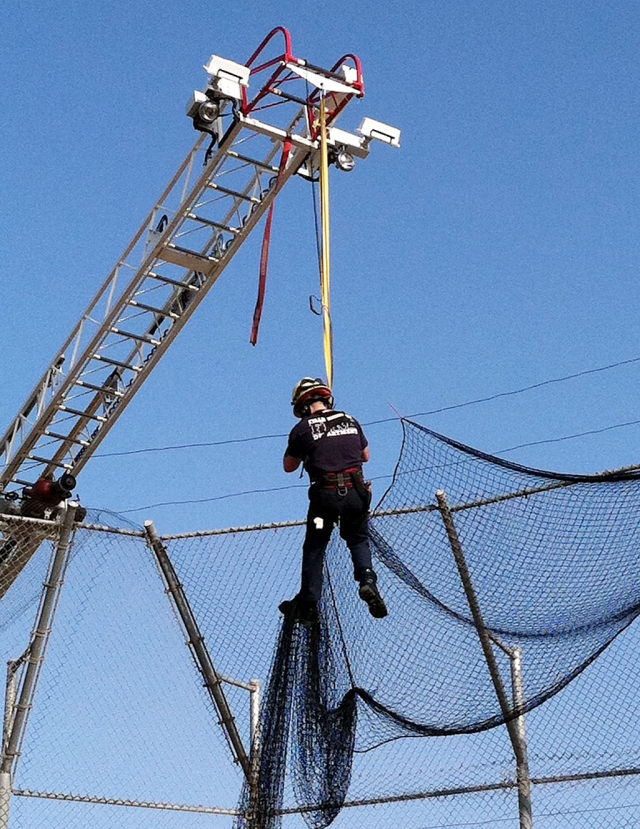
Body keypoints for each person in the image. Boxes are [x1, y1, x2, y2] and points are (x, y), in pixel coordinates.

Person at [279, 377, 387, 624]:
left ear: (302, 405)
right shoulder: (349, 419)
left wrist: (308, 451)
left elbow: (288, 466)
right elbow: (366, 456)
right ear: (326, 399)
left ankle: (308, 602)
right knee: (358, 539)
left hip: (323, 503)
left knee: (316, 544)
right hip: (355, 497)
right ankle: (367, 580)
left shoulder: (302, 429)